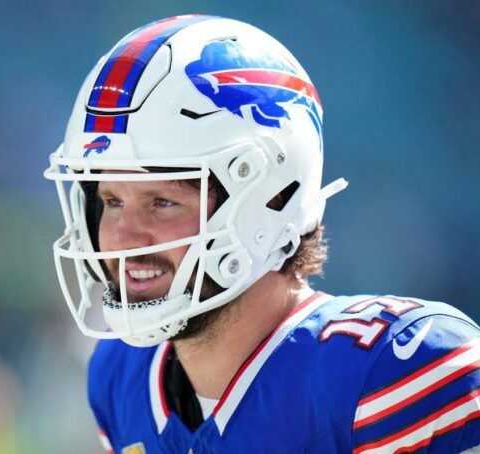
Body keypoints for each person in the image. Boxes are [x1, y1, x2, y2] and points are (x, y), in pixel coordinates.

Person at [44, 15, 480, 453]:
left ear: (271, 200)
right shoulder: (121, 376)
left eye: (162, 202)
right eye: (112, 202)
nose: (122, 238)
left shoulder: (397, 373)